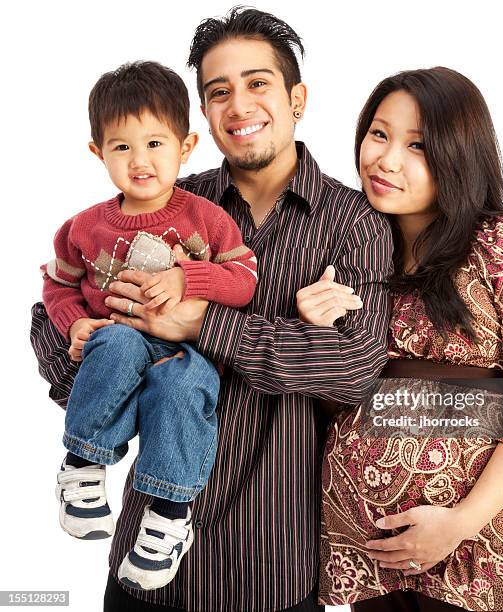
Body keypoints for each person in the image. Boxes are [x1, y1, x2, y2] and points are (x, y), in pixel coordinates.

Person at [30, 7, 393, 611]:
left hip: (273, 562)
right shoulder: (167, 198)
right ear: (202, 116)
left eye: (258, 83)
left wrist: (203, 324)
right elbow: (49, 316)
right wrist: (101, 352)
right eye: (219, 91)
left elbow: (354, 368)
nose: (240, 106)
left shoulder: (353, 222)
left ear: (297, 98)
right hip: (144, 567)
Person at [312, 68, 503, 610]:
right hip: (370, 555)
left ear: (460, 155)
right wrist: (313, 326)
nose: (386, 160)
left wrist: (458, 524)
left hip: (482, 554)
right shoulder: (352, 251)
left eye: (418, 146)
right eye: (379, 134)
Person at [42, 60, 258, 591]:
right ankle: (83, 465)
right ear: (98, 152)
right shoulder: (82, 228)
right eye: (122, 147)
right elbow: (57, 287)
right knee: (113, 340)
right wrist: (73, 325)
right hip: (118, 344)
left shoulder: (204, 217)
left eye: (156, 144)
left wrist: (189, 279)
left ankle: (169, 516)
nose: (140, 161)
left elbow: (244, 278)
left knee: (182, 387)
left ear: (186, 147)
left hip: (187, 353)